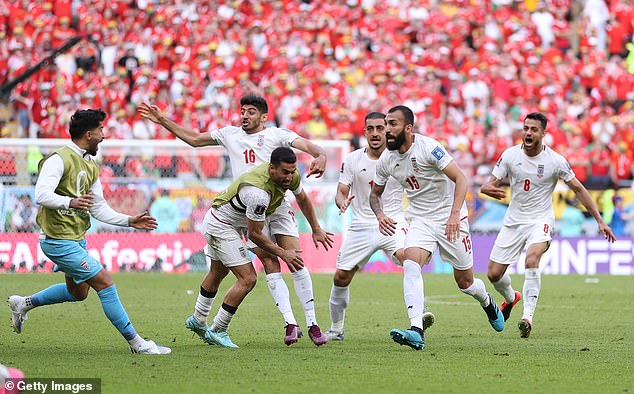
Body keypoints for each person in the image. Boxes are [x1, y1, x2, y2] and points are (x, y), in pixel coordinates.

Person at [139, 94, 330, 346]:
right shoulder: (230, 134)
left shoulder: (276, 135)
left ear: (263, 117)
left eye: (251, 111)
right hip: (249, 209)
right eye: (242, 110)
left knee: (290, 259)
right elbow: (195, 140)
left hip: (278, 204)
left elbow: (308, 147)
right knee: (268, 262)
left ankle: (312, 323)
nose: (244, 115)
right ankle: (288, 323)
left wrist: (321, 156)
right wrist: (163, 120)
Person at [7, 109, 170, 355]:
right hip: (58, 240)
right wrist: (69, 202)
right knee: (104, 282)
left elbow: (99, 209)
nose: (104, 136)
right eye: (101, 130)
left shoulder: (90, 164)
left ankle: (24, 303)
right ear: (89, 134)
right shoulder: (58, 159)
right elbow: (40, 194)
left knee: (78, 292)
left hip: (76, 240)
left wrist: (129, 220)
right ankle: (137, 343)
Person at [370, 105, 504, 351]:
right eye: (386, 124)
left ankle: (487, 301)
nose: (387, 130)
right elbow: (374, 194)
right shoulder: (387, 160)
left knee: (465, 283)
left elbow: (461, 179)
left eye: (392, 124)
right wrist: (379, 215)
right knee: (411, 263)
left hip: (451, 219)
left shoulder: (429, 147)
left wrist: (455, 215)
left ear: (408, 128)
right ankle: (416, 330)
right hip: (421, 220)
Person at [480, 112, 616, 339]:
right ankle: (512, 297)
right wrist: (486, 188)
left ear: (543, 133)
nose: (528, 133)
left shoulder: (555, 161)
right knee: (493, 275)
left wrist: (599, 221)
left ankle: (527, 318)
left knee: (531, 259)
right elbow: (490, 183)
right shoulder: (510, 155)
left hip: (540, 220)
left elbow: (579, 189)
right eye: (526, 128)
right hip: (514, 221)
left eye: (533, 129)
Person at [196, 147, 334, 348]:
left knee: (295, 259)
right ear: (272, 169)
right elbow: (254, 233)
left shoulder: (291, 174)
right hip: (229, 222)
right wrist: (282, 252)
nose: (290, 176)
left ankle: (313, 324)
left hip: (269, 210)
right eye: (285, 172)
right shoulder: (257, 193)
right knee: (250, 275)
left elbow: (302, 198)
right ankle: (220, 328)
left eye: (292, 171)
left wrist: (316, 228)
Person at [326, 112, 435, 341]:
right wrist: (342, 201)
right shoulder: (353, 159)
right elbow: (341, 192)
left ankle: (417, 317)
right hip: (362, 225)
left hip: (393, 221)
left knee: (410, 259)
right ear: (364, 132)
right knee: (340, 278)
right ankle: (336, 329)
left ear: (387, 130)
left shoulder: (400, 157)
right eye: (370, 129)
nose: (375, 133)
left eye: (379, 128)